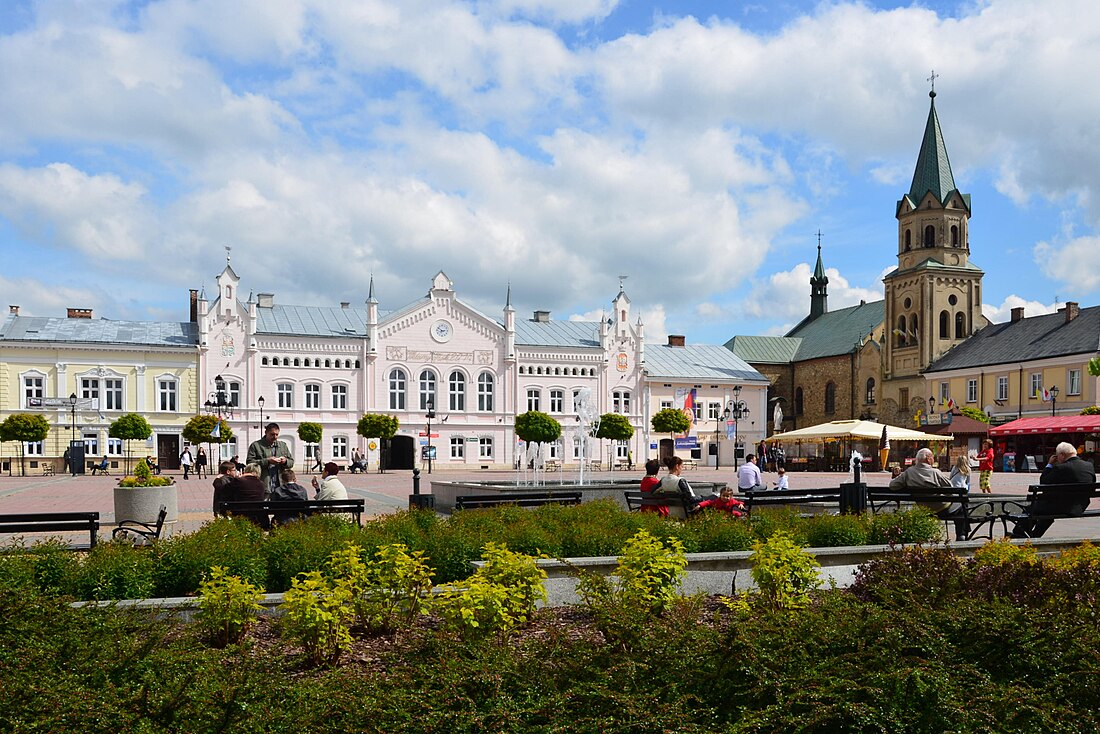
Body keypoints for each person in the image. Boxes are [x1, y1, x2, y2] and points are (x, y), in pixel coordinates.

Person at [1012, 442, 1097, 538]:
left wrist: (1049, 465)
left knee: (1031, 509)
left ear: (1062, 455)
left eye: (1057, 456)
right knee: (1045, 509)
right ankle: (1035, 535)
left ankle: (1018, 535)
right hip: (1080, 506)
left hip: (1061, 507)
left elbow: (1044, 481)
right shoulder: (1088, 466)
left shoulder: (1061, 467)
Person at [889, 447, 967, 537]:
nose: (933, 459)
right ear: (928, 458)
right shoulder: (935, 472)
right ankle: (962, 535)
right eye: (933, 457)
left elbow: (892, 485)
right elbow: (951, 488)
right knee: (962, 505)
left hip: (923, 508)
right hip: (941, 508)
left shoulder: (909, 472)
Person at [247, 423, 294, 496]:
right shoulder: (256, 445)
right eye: (272, 434)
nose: (275, 437)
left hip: (280, 486)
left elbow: (291, 462)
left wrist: (285, 461)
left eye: (277, 434)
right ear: (266, 433)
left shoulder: (282, 445)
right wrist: (267, 461)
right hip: (263, 485)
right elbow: (249, 463)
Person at [225, 463, 270, 529]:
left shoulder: (238, 481)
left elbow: (224, 490)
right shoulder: (261, 484)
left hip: (241, 513)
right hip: (259, 516)